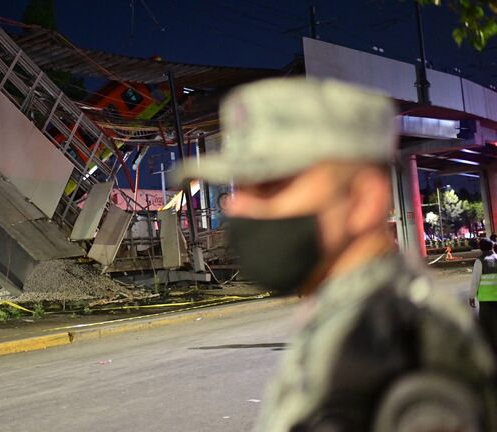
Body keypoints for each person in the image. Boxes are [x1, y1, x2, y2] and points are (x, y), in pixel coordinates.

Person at [175, 77, 497, 430]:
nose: (239, 208)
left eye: (271, 185)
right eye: (241, 186)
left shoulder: (395, 359)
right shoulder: (352, 327)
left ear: (362, 199)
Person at [471, 238, 497, 356]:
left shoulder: (480, 261)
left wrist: (471, 296)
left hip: (486, 299)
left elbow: (475, 280)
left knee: (486, 325)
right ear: (492, 246)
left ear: (480, 248)